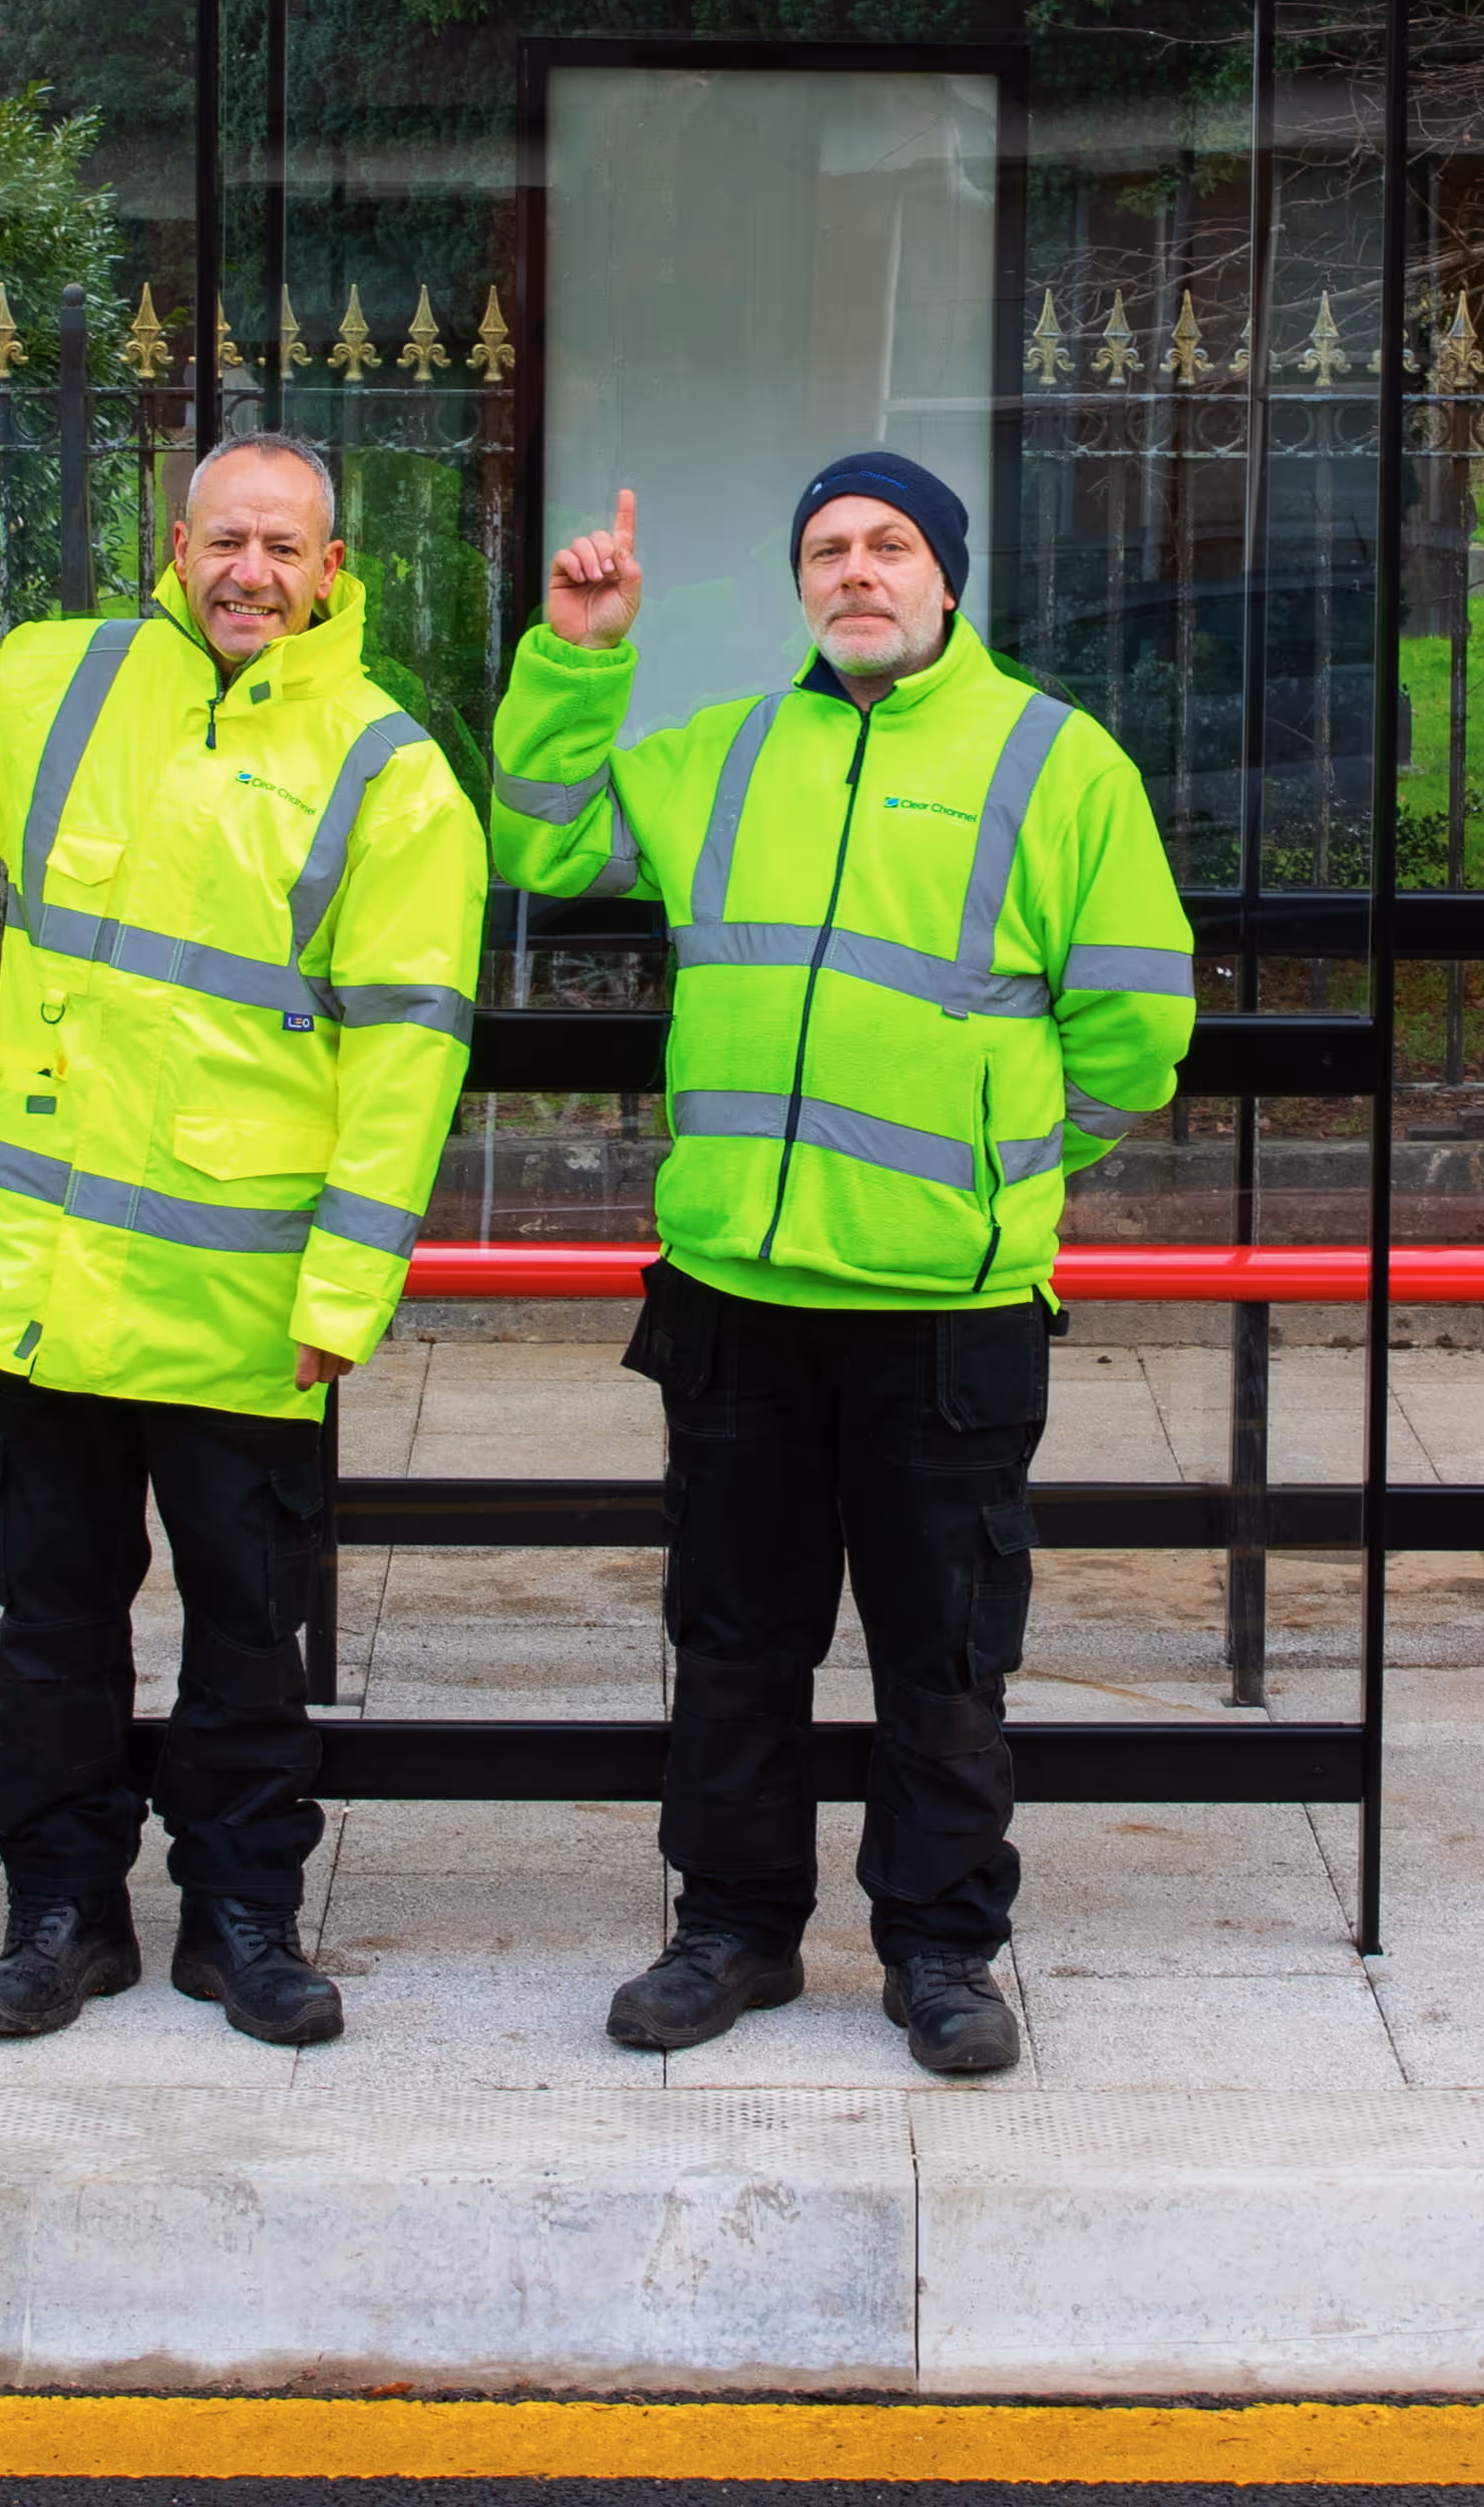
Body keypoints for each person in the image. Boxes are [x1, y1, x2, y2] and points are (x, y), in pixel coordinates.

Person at [489, 452, 1195, 2075]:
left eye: (889, 547)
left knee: (946, 1655)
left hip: (945, 1308)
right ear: (801, 583)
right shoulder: (728, 753)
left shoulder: (1054, 761)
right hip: (739, 1294)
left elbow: (1136, 1031)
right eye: (828, 549)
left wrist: (990, 1173)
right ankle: (732, 1931)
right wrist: (581, 654)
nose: (857, 572)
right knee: (734, 1643)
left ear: (947, 578)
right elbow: (545, 838)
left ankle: (944, 1951)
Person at [0, 388, 482, 2048]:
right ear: (177, 548)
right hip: (54, 1283)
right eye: (225, 539)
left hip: (246, 1298)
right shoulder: (69, 680)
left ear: (332, 566)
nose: (250, 571)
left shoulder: (389, 773)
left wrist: (350, 1286)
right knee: (52, 1626)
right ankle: (62, 1914)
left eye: (283, 546)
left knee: (245, 1637)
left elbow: (407, 1056)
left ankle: (244, 1918)